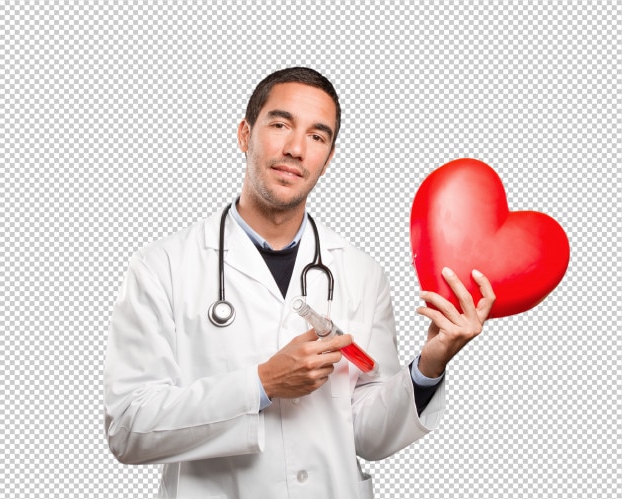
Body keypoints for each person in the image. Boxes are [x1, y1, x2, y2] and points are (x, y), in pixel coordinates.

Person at [104, 67, 496, 499]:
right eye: (280, 125)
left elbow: (369, 434)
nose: (295, 149)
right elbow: (127, 427)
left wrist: (430, 364)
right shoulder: (162, 267)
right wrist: (262, 384)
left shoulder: (362, 273)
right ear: (244, 135)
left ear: (328, 160)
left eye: (317, 136)